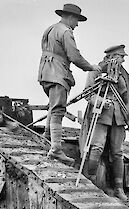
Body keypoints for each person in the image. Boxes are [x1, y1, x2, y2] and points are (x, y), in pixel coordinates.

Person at [38, 4, 101, 165]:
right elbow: (74, 56)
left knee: (53, 105)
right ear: (70, 17)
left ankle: (47, 135)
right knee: (58, 108)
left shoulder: (51, 29)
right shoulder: (66, 32)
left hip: (45, 72)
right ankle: (56, 150)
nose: (77, 24)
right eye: (77, 20)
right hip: (58, 73)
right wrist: (91, 67)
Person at [79, 45, 129, 201]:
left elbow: (126, 99)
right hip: (100, 116)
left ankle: (118, 188)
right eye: (121, 56)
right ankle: (91, 181)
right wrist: (101, 102)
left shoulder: (122, 75)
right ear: (112, 56)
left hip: (118, 117)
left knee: (118, 152)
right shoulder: (96, 71)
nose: (123, 60)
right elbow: (87, 94)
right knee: (96, 148)